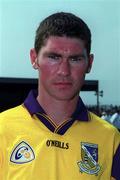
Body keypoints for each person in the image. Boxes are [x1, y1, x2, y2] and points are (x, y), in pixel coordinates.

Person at [0, 12, 120, 180]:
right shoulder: (3, 128)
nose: (64, 71)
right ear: (34, 58)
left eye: (75, 59)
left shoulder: (111, 138)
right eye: (54, 57)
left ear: (89, 63)